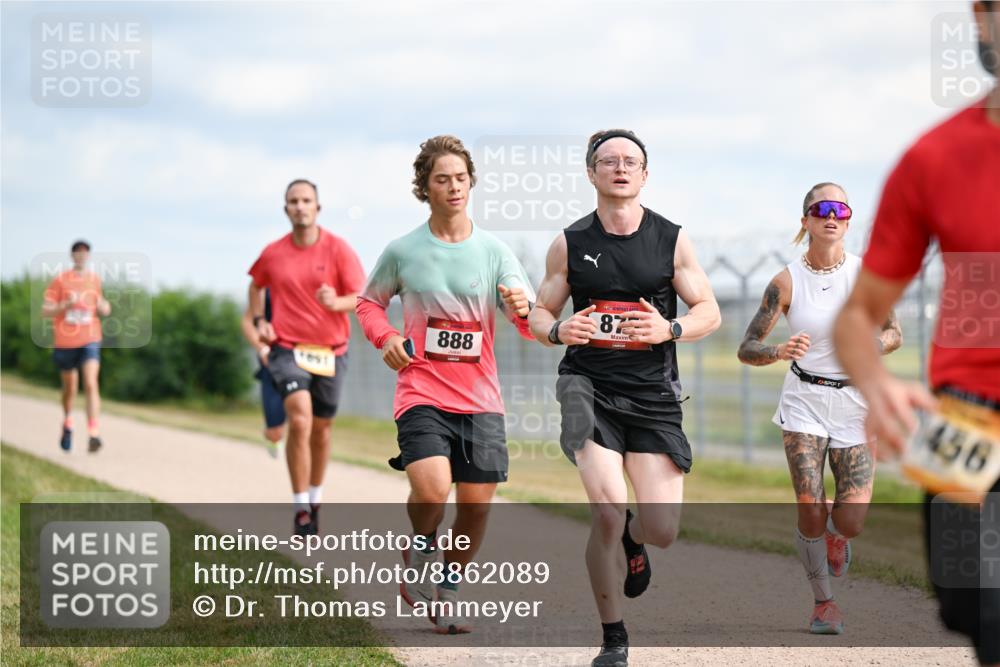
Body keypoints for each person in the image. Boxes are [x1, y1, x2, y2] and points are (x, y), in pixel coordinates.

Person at [834, 2, 999, 663]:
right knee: (971, 602)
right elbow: (858, 314)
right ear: (982, 18)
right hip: (965, 414)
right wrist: (877, 383)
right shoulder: (933, 158)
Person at [528, 129, 721, 667]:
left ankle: (636, 545)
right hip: (587, 388)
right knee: (608, 512)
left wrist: (671, 330)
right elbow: (541, 311)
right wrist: (557, 332)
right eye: (607, 161)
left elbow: (709, 309)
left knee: (660, 530)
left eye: (630, 161)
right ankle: (613, 639)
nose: (619, 168)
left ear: (644, 174)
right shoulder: (570, 241)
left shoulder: (671, 239)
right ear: (591, 174)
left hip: (653, 392)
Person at [356, 135, 536, 635]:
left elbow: (530, 322)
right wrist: (386, 335)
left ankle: (449, 588)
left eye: (461, 178)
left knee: (476, 507)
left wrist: (522, 311)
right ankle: (419, 545)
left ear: (471, 182)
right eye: (442, 179)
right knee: (432, 490)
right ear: (425, 187)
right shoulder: (404, 250)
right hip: (422, 390)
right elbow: (368, 303)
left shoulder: (495, 251)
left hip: (480, 398)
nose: (454, 187)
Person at [737, 183, 902, 635]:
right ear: (806, 220)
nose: (831, 215)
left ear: (848, 221)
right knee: (810, 505)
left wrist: (874, 342)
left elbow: (894, 334)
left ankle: (836, 538)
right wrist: (778, 352)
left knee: (851, 520)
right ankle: (824, 603)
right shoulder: (786, 281)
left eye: (840, 208)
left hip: (854, 403)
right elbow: (746, 347)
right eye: (821, 208)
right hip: (804, 401)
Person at [248, 179, 366, 536]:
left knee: (322, 430)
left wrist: (337, 303)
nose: (300, 206)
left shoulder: (338, 250)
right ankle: (300, 506)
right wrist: (259, 321)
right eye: (293, 201)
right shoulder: (273, 252)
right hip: (287, 349)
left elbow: (361, 299)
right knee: (299, 419)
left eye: (306, 201)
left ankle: (315, 498)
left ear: (318, 207)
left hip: (332, 351)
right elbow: (256, 285)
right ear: (286, 210)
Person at [42, 240, 111, 453]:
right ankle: (68, 422)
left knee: (91, 383)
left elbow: (105, 307)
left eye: (85, 252)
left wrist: (102, 306)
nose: (81, 256)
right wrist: (65, 305)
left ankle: (93, 433)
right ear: (72, 256)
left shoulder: (94, 280)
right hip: (65, 341)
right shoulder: (60, 280)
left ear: (88, 256)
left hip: (90, 337)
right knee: (70, 388)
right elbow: (45, 310)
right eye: (77, 252)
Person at [240, 289, 286, 458]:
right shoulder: (266, 286)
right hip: (273, 360)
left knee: (303, 419)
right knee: (275, 430)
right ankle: (272, 434)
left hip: (303, 358)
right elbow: (247, 322)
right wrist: (262, 349)